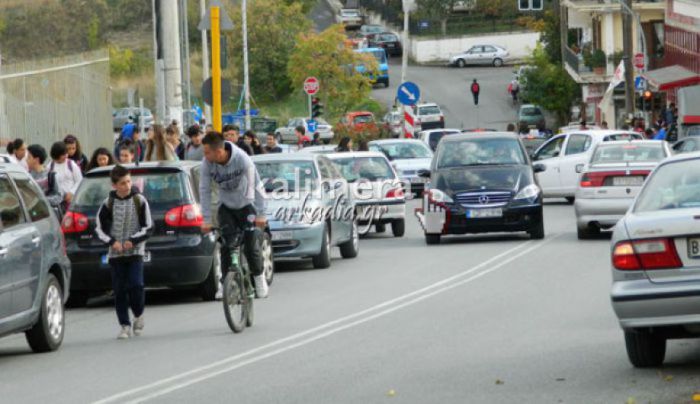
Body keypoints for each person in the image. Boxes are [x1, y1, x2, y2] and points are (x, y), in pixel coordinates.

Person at [199, 132, 269, 299]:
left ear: (219, 152)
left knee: (251, 246)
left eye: (207, 152)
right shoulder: (207, 163)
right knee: (227, 246)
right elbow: (204, 190)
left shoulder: (242, 159)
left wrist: (261, 214)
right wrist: (207, 219)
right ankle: (225, 284)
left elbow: (257, 185)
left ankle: (259, 278)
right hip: (227, 206)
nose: (204, 156)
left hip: (247, 205)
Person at [95, 165, 153, 340]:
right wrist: (112, 242)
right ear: (114, 185)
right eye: (122, 183)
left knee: (136, 285)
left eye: (128, 181)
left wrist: (133, 240)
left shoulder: (139, 200)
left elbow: (149, 226)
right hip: (116, 255)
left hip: (135, 252)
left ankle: (138, 313)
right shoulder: (108, 203)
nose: (127, 186)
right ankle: (125, 325)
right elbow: (98, 228)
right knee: (119, 290)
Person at [26, 144, 63, 210]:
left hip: (47, 215)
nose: (26, 160)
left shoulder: (51, 175)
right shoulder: (26, 176)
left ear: (36, 160)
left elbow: (59, 197)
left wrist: (41, 200)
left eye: (29, 157)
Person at [49, 141, 83, 206]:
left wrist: (71, 192)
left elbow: (79, 180)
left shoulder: (71, 164)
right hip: (57, 202)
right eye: (63, 155)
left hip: (71, 200)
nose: (66, 156)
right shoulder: (50, 166)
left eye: (66, 154)